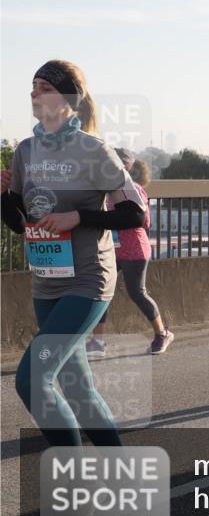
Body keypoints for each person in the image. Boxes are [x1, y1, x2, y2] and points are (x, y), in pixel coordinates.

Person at [1, 60, 147, 446]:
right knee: (77, 389)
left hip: (88, 278)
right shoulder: (26, 151)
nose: (35, 93)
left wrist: (77, 218)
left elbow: (136, 214)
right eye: (32, 86)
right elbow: (20, 224)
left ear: (68, 97)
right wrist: (3, 196)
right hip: (47, 280)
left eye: (45, 86)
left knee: (32, 378)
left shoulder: (93, 150)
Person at [85, 150, 174, 358]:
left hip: (134, 248)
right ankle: (97, 341)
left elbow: (144, 221)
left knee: (137, 293)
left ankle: (163, 333)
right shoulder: (104, 190)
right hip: (110, 249)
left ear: (128, 168)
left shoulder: (133, 189)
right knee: (101, 292)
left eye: (119, 164)